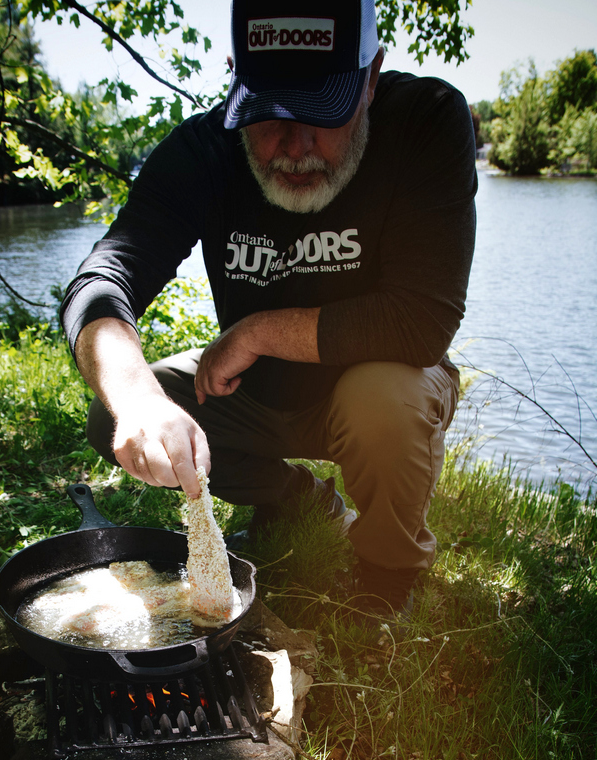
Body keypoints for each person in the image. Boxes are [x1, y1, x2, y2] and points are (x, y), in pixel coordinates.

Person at [60, 0, 477, 620]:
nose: (296, 147)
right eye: (272, 114)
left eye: (323, 115)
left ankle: (387, 572)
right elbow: (102, 280)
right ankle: (298, 500)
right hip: (258, 396)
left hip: (382, 385)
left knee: (383, 401)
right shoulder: (203, 150)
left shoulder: (426, 121)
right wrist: (138, 400)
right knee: (109, 412)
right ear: (236, 77)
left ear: (370, 77)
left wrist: (258, 330)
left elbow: (422, 321)